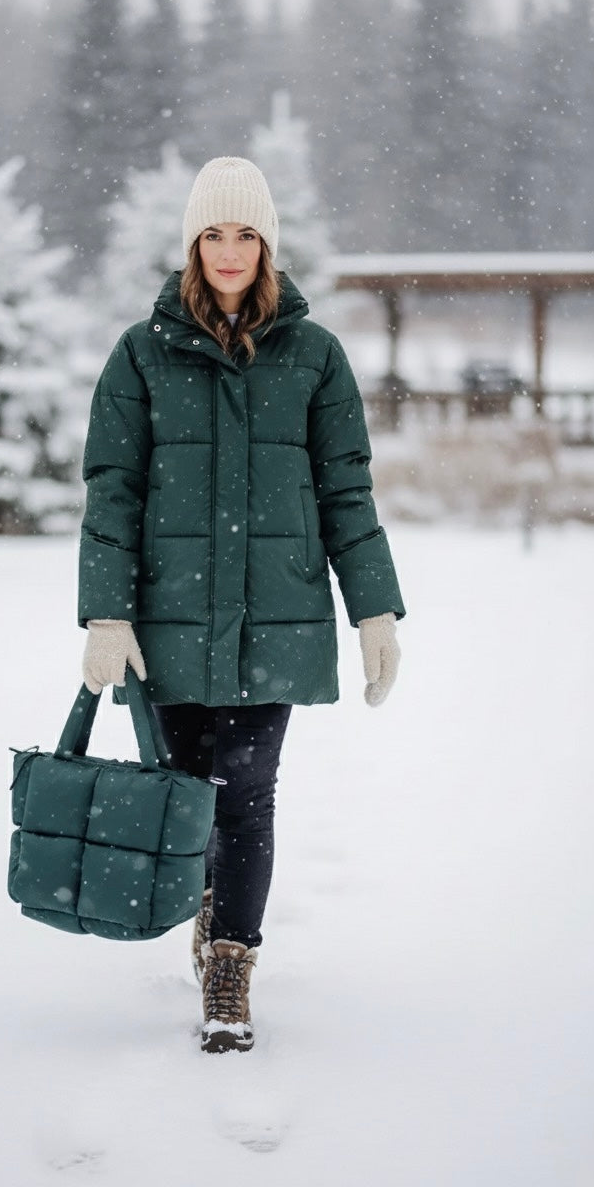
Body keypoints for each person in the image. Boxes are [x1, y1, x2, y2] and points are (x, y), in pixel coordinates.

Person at [78, 156, 405, 1054]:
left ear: (268, 244)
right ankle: (209, 905)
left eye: (247, 234)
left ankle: (231, 962)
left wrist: (375, 610)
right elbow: (112, 489)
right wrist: (107, 613)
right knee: (189, 793)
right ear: (193, 244)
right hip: (170, 616)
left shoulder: (314, 355)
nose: (230, 250)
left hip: (276, 615)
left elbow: (346, 491)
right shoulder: (142, 353)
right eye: (214, 234)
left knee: (248, 794)